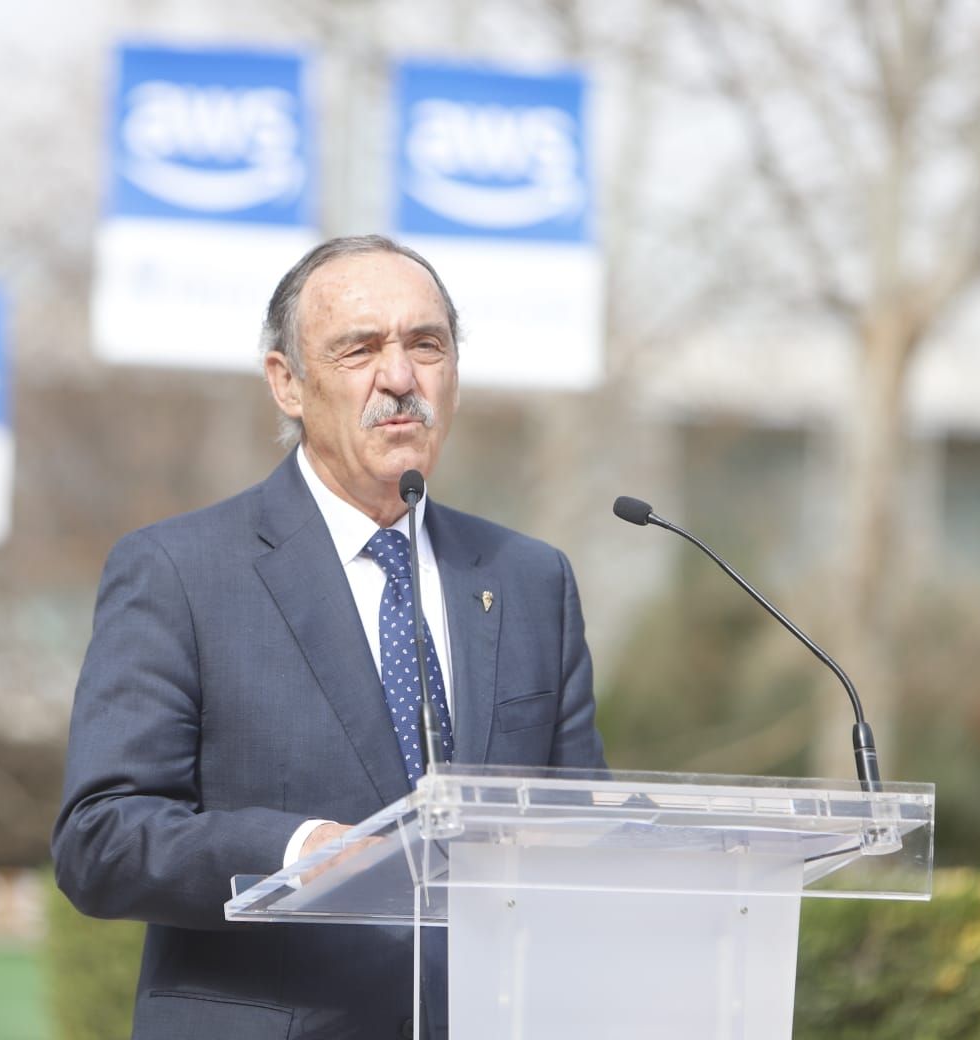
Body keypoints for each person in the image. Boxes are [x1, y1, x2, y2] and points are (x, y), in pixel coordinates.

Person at [51, 235, 606, 1039]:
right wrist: (298, 849)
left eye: (427, 345)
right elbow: (100, 841)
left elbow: (581, 835)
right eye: (359, 349)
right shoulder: (180, 572)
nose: (400, 377)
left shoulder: (530, 580)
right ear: (287, 383)